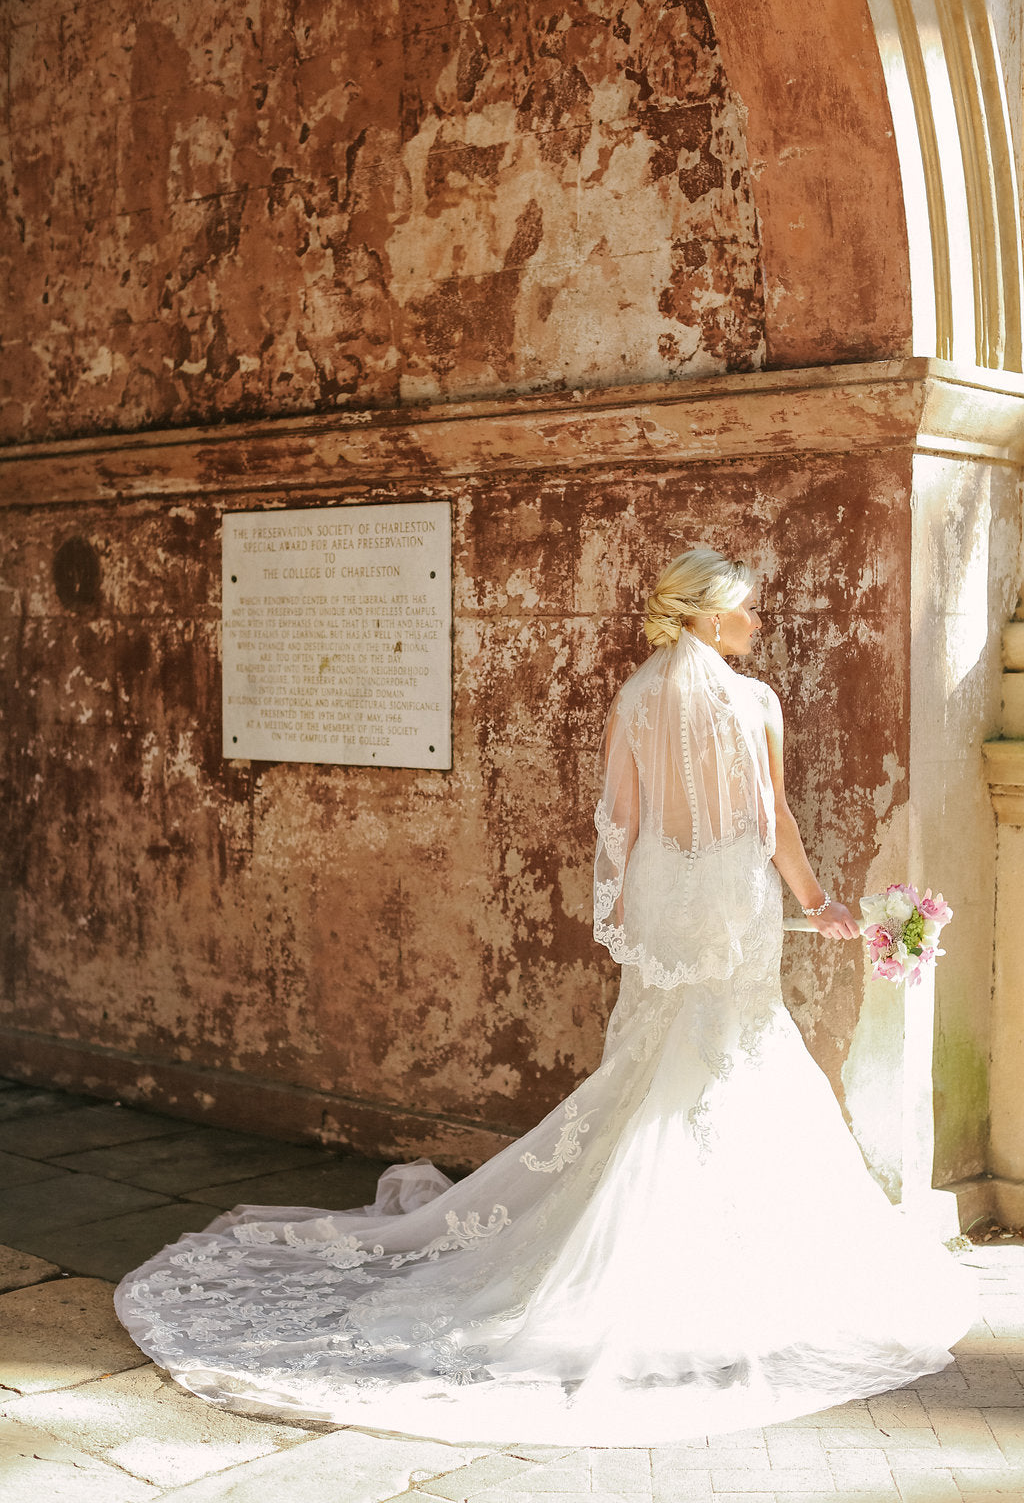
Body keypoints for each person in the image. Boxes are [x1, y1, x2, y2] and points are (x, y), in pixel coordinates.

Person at [115, 546, 975, 1446]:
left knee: (653, 1062)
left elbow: (623, 822)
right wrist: (819, 904)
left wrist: (643, 898)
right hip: (733, 901)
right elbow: (774, 824)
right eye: (747, 612)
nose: (757, 625)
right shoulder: (755, 703)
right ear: (708, 618)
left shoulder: (637, 697)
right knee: (728, 1060)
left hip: (665, 901)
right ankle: (712, 1267)